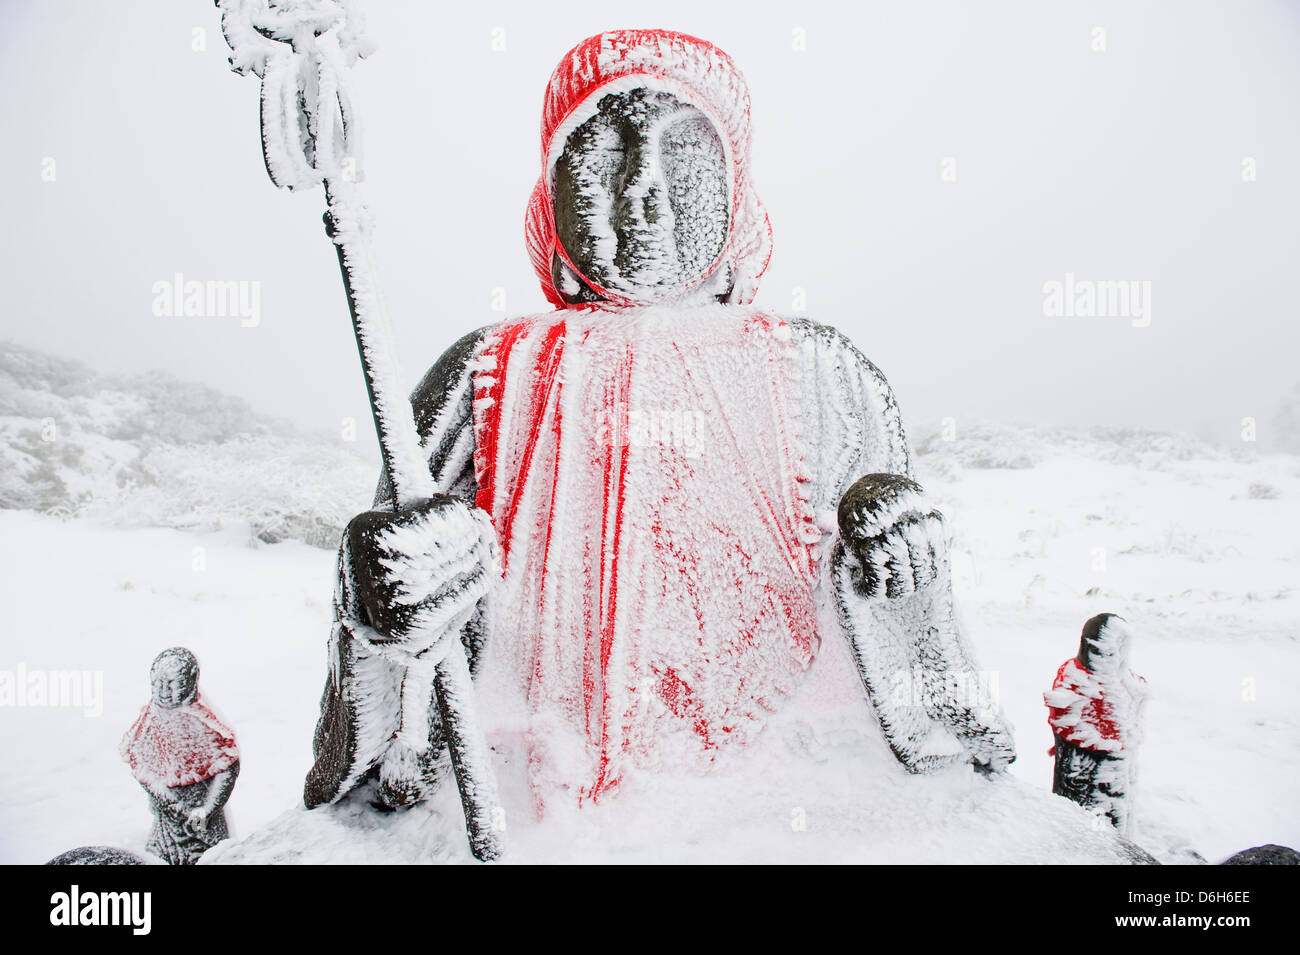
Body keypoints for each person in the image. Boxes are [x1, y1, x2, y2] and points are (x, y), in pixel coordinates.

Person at [304, 29, 1016, 814]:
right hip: (523, 803)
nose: (642, 189)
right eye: (603, 155)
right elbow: (388, 639)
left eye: (681, 155)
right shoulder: (482, 376)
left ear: (735, 184)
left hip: (782, 803)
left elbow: (905, 640)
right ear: (550, 186)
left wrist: (899, 562)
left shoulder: (825, 375)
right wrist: (377, 600)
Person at [121, 647, 240, 864]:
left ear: (191, 681)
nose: (163, 690)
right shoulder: (150, 721)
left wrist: (207, 810)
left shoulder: (203, 722)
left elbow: (228, 765)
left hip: (201, 820)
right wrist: (165, 798)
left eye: (172, 684)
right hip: (167, 818)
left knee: (209, 859)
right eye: (157, 684)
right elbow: (141, 764)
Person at [1045, 613, 1148, 834]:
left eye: (1119, 652)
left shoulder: (1126, 681)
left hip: (1118, 768)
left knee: (1118, 820)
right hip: (1086, 771)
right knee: (1086, 826)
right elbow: (1066, 723)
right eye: (1107, 652)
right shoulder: (1074, 679)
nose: (1114, 659)